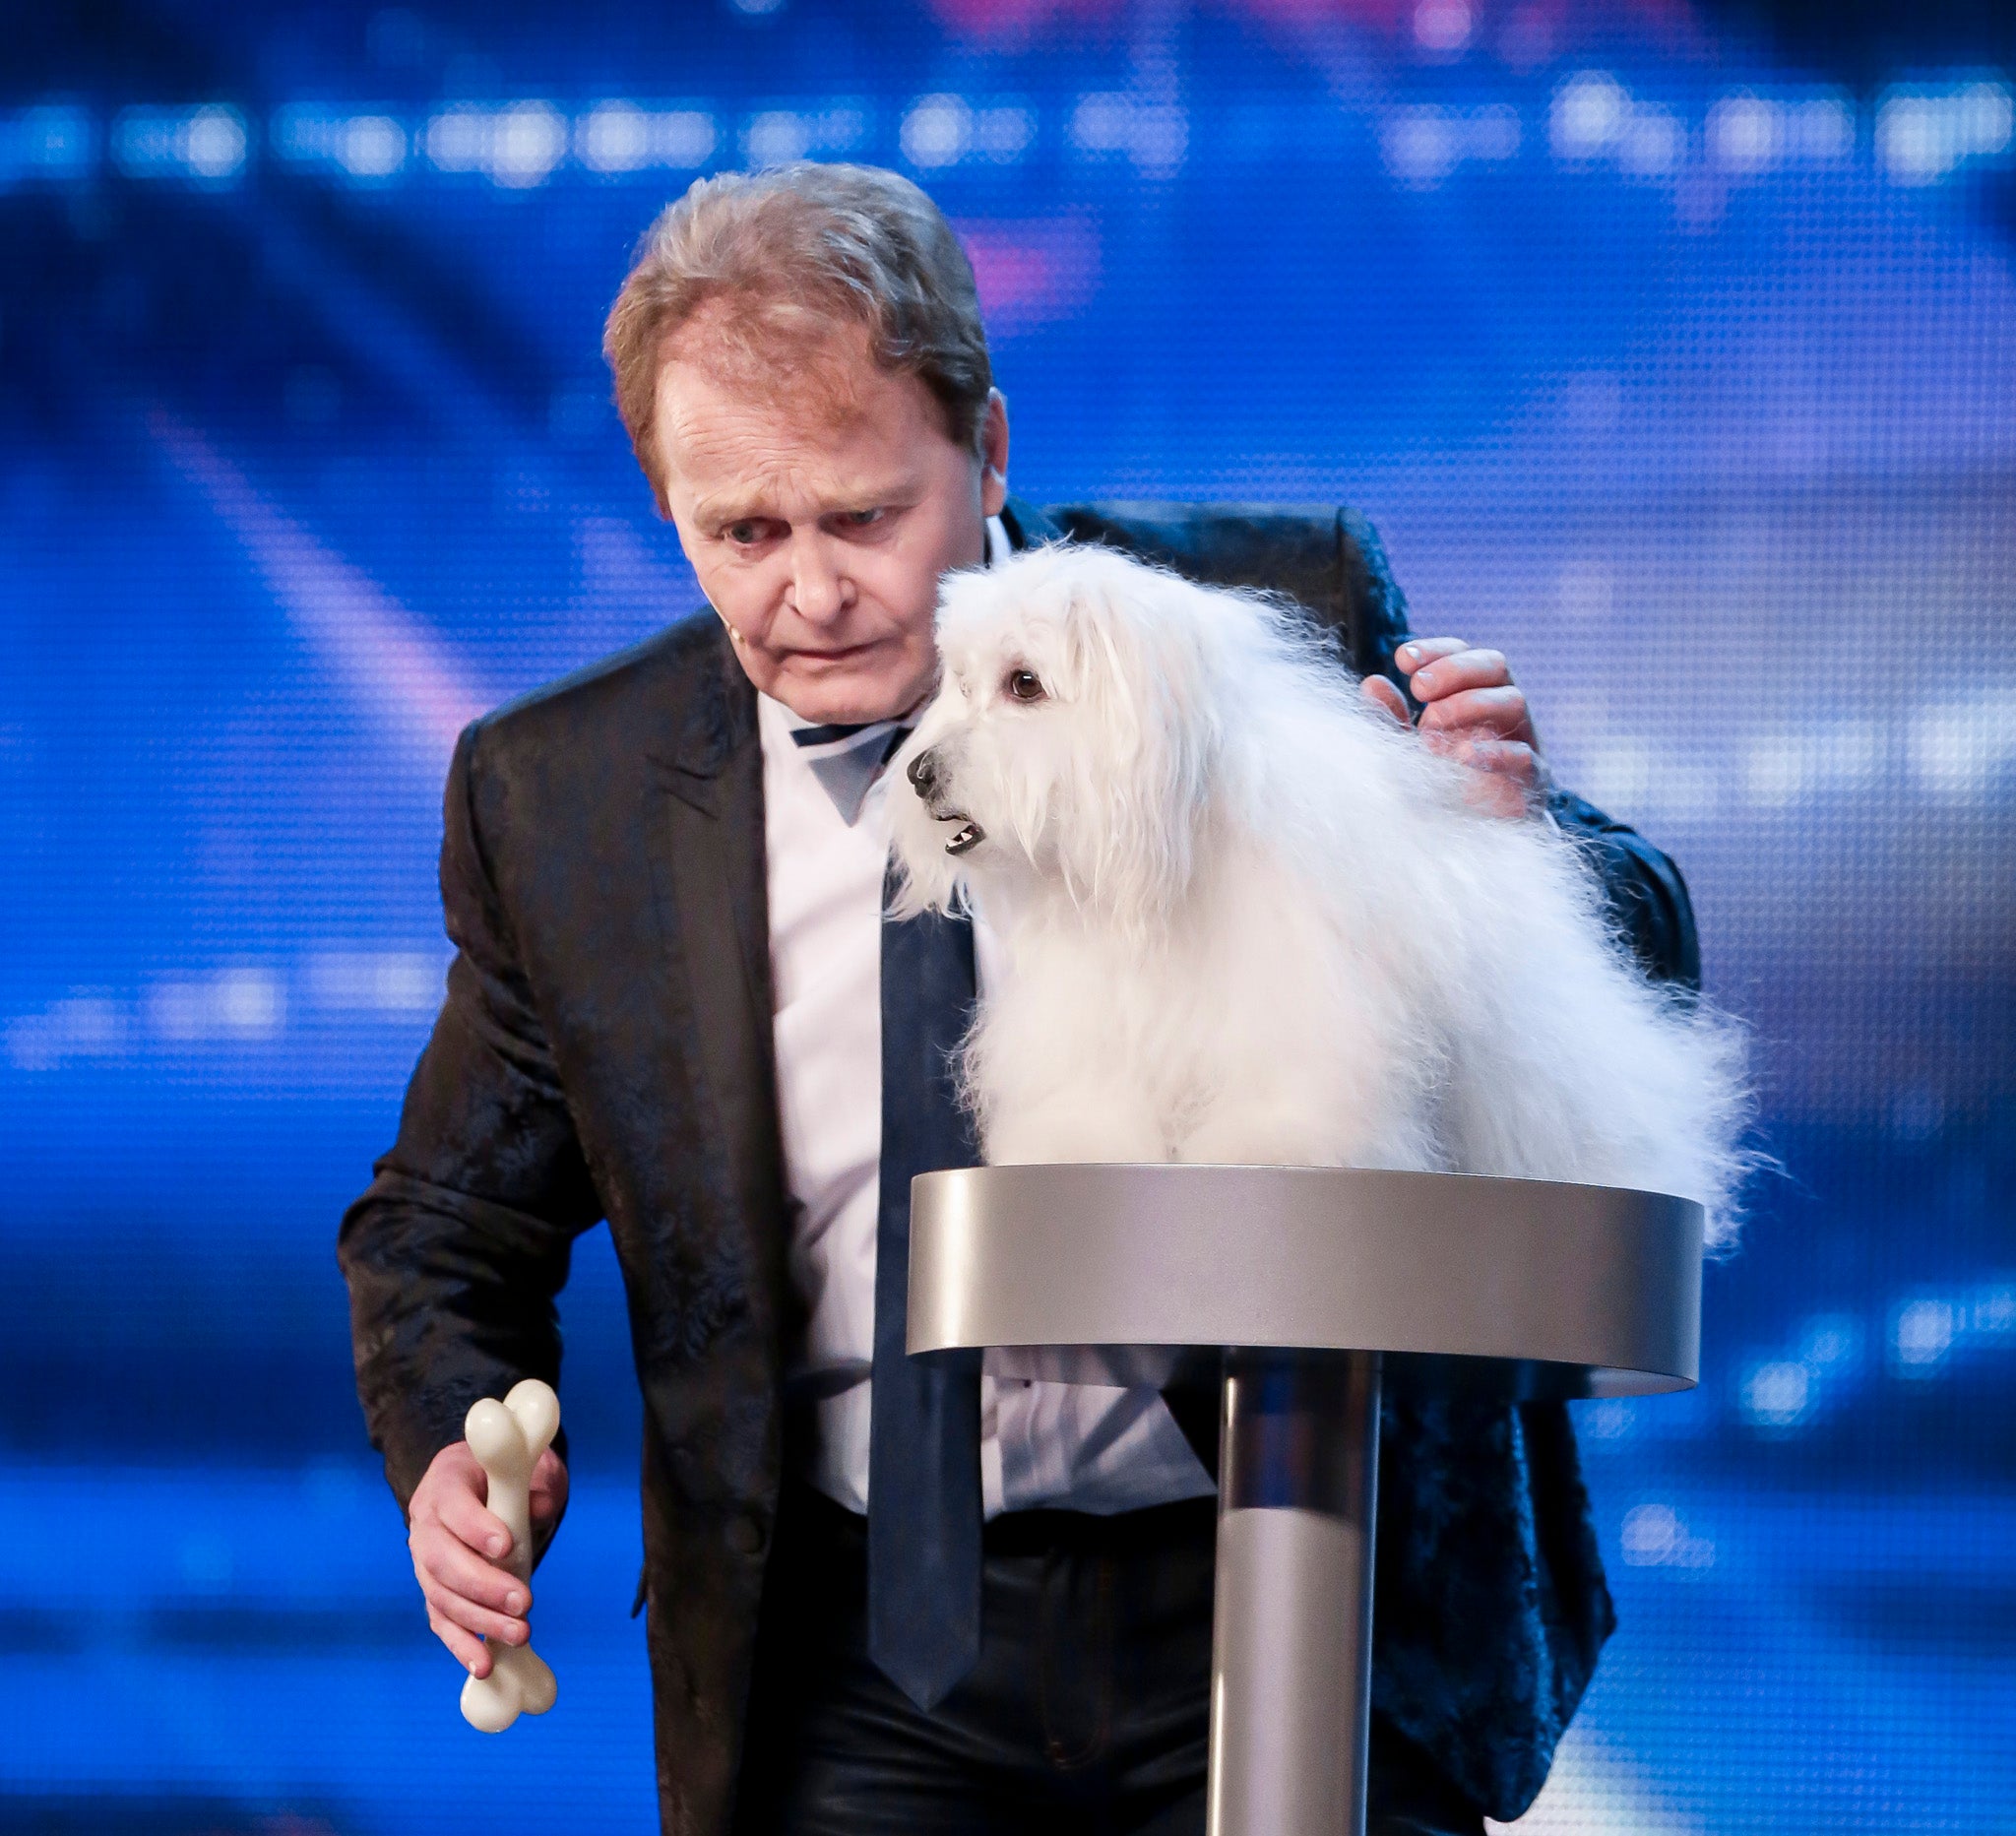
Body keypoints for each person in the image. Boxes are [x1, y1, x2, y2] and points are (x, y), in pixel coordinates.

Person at [340, 162, 1698, 1836]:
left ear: (986, 447)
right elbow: (440, 1223)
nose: (808, 592)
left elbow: (1630, 956)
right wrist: (450, 1460)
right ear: (666, 500)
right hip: (856, 1667)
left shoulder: (1260, 617)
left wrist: (1513, 840)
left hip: (1291, 1586)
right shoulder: (562, 798)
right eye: (740, 534)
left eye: (861, 516)